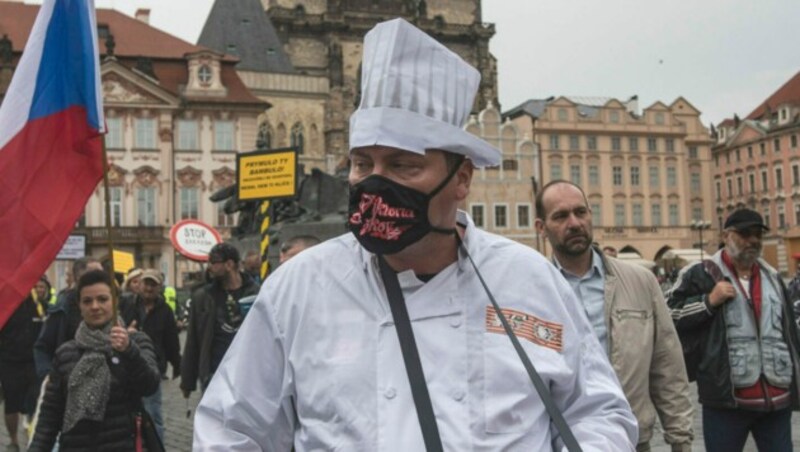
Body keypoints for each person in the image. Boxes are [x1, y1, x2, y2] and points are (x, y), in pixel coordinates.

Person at [193, 18, 637, 450]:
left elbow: (597, 413)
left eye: (403, 166)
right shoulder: (299, 287)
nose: (374, 184)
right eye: (363, 164)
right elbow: (230, 429)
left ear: (461, 179)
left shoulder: (530, 280)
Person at [535, 180, 694, 451]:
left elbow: (667, 366)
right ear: (541, 228)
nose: (574, 223)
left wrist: (680, 440)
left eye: (580, 212)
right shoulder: (533, 291)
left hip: (632, 437)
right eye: (561, 216)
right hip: (561, 439)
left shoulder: (641, 282)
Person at [667, 208, 800, 452]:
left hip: (776, 398)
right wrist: (708, 302)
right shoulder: (701, 274)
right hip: (725, 401)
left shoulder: (773, 277)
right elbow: (668, 317)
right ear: (727, 235)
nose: (753, 240)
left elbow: (790, 332)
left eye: (758, 234)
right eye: (745, 234)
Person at [28, 270, 161, 451]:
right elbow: (49, 418)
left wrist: (129, 351)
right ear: (79, 306)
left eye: (102, 299)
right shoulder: (66, 353)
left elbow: (149, 385)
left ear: (115, 302)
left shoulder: (136, 342)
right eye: (87, 301)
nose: (95, 306)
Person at [180, 243, 260, 398]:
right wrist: (187, 381)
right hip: (214, 375)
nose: (209, 267)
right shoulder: (203, 296)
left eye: (214, 262)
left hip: (249, 375)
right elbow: (193, 340)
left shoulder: (256, 293)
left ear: (229, 264)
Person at [119, 269, 180, 443]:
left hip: (152, 368)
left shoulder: (165, 310)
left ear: (159, 287)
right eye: (146, 283)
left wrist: (176, 364)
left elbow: (171, 340)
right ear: (140, 285)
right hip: (126, 365)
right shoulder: (126, 303)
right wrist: (126, 332)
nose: (148, 288)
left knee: (153, 415)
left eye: (153, 284)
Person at [33, 256, 103, 380]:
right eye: (94, 275)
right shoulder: (62, 308)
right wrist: (49, 377)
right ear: (78, 278)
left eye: (101, 275)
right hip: (68, 383)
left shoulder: (109, 304)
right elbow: (42, 347)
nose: (100, 280)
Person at [0, 279, 47, 452]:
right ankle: (13, 441)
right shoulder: (7, 304)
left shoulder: (38, 304)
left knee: (36, 399)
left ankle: (33, 437)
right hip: (9, 361)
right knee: (12, 403)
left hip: (34, 362)